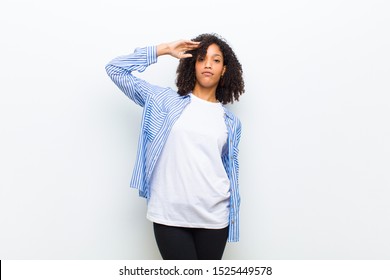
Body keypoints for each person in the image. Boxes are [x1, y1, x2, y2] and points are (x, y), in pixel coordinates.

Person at [105, 33, 245, 260]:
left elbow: (228, 170)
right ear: (192, 64)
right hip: (170, 214)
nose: (208, 64)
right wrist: (165, 49)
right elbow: (115, 69)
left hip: (214, 216)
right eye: (201, 58)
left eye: (216, 60)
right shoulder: (164, 101)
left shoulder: (231, 122)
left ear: (224, 69)